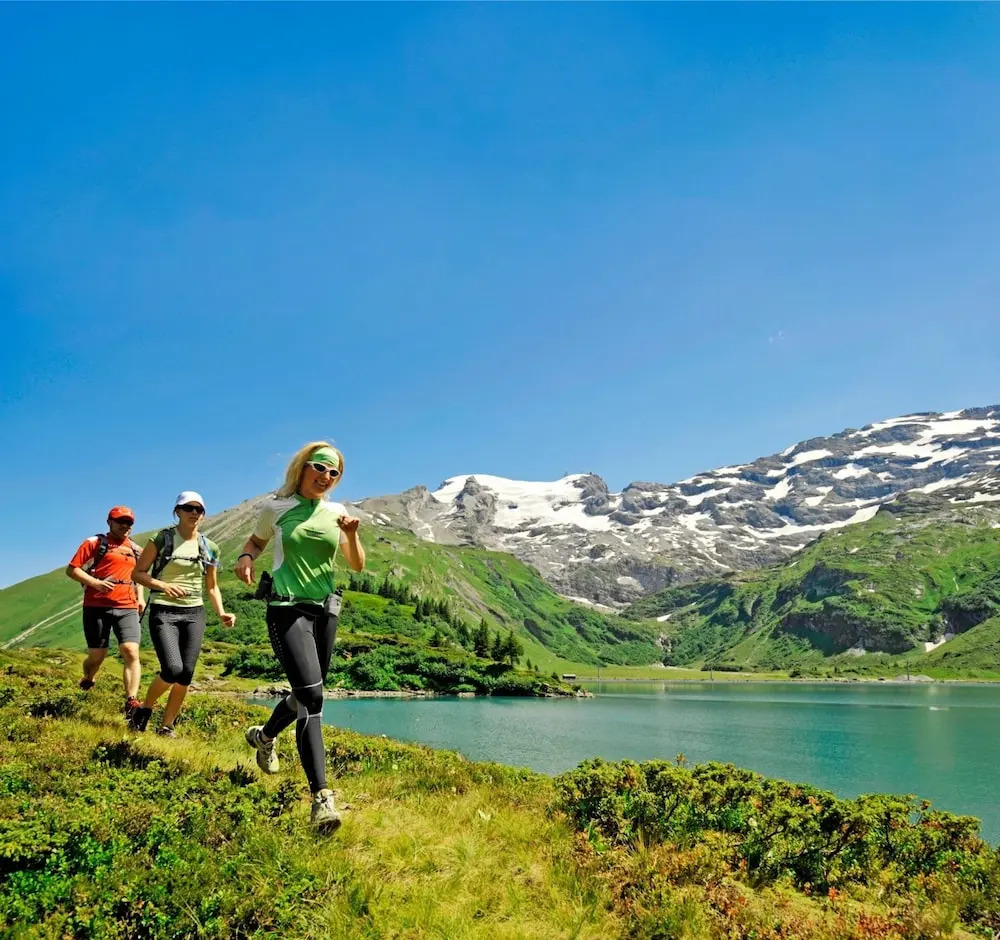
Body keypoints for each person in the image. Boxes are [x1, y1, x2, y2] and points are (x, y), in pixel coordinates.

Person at [235, 442, 365, 832]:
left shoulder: (338, 513)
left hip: (325, 611)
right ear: (302, 467)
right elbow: (256, 542)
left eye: (334, 472)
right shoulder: (276, 509)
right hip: (286, 609)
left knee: (305, 692)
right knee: (313, 697)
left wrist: (353, 536)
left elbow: (356, 564)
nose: (326, 476)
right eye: (319, 467)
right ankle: (322, 799)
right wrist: (246, 558)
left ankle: (265, 735)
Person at [129, 491, 235, 736]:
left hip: (194, 613)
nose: (194, 513)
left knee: (186, 674)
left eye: (199, 509)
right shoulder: (162, 539)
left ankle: (166, 727)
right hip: (163, 611)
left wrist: (222, 613)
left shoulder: (210, 547)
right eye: (188, 508)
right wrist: (163, 585)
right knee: (173, 669)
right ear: (177, 511)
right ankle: (143, 709)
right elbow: (138, 574)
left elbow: (211, 586)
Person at [66, 506, 146, 721]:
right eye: (120, 521)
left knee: (130, 650)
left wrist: (140, 597)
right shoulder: (94, 543)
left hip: (126, 605)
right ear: (109, 521)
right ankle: (88, 676)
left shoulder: (136, 549)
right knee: (97, 656)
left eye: (129, 522)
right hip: (96, 606)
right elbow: (72, 569)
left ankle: (131, 701)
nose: (125, 526)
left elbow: (139, 575)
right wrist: (96, 583)